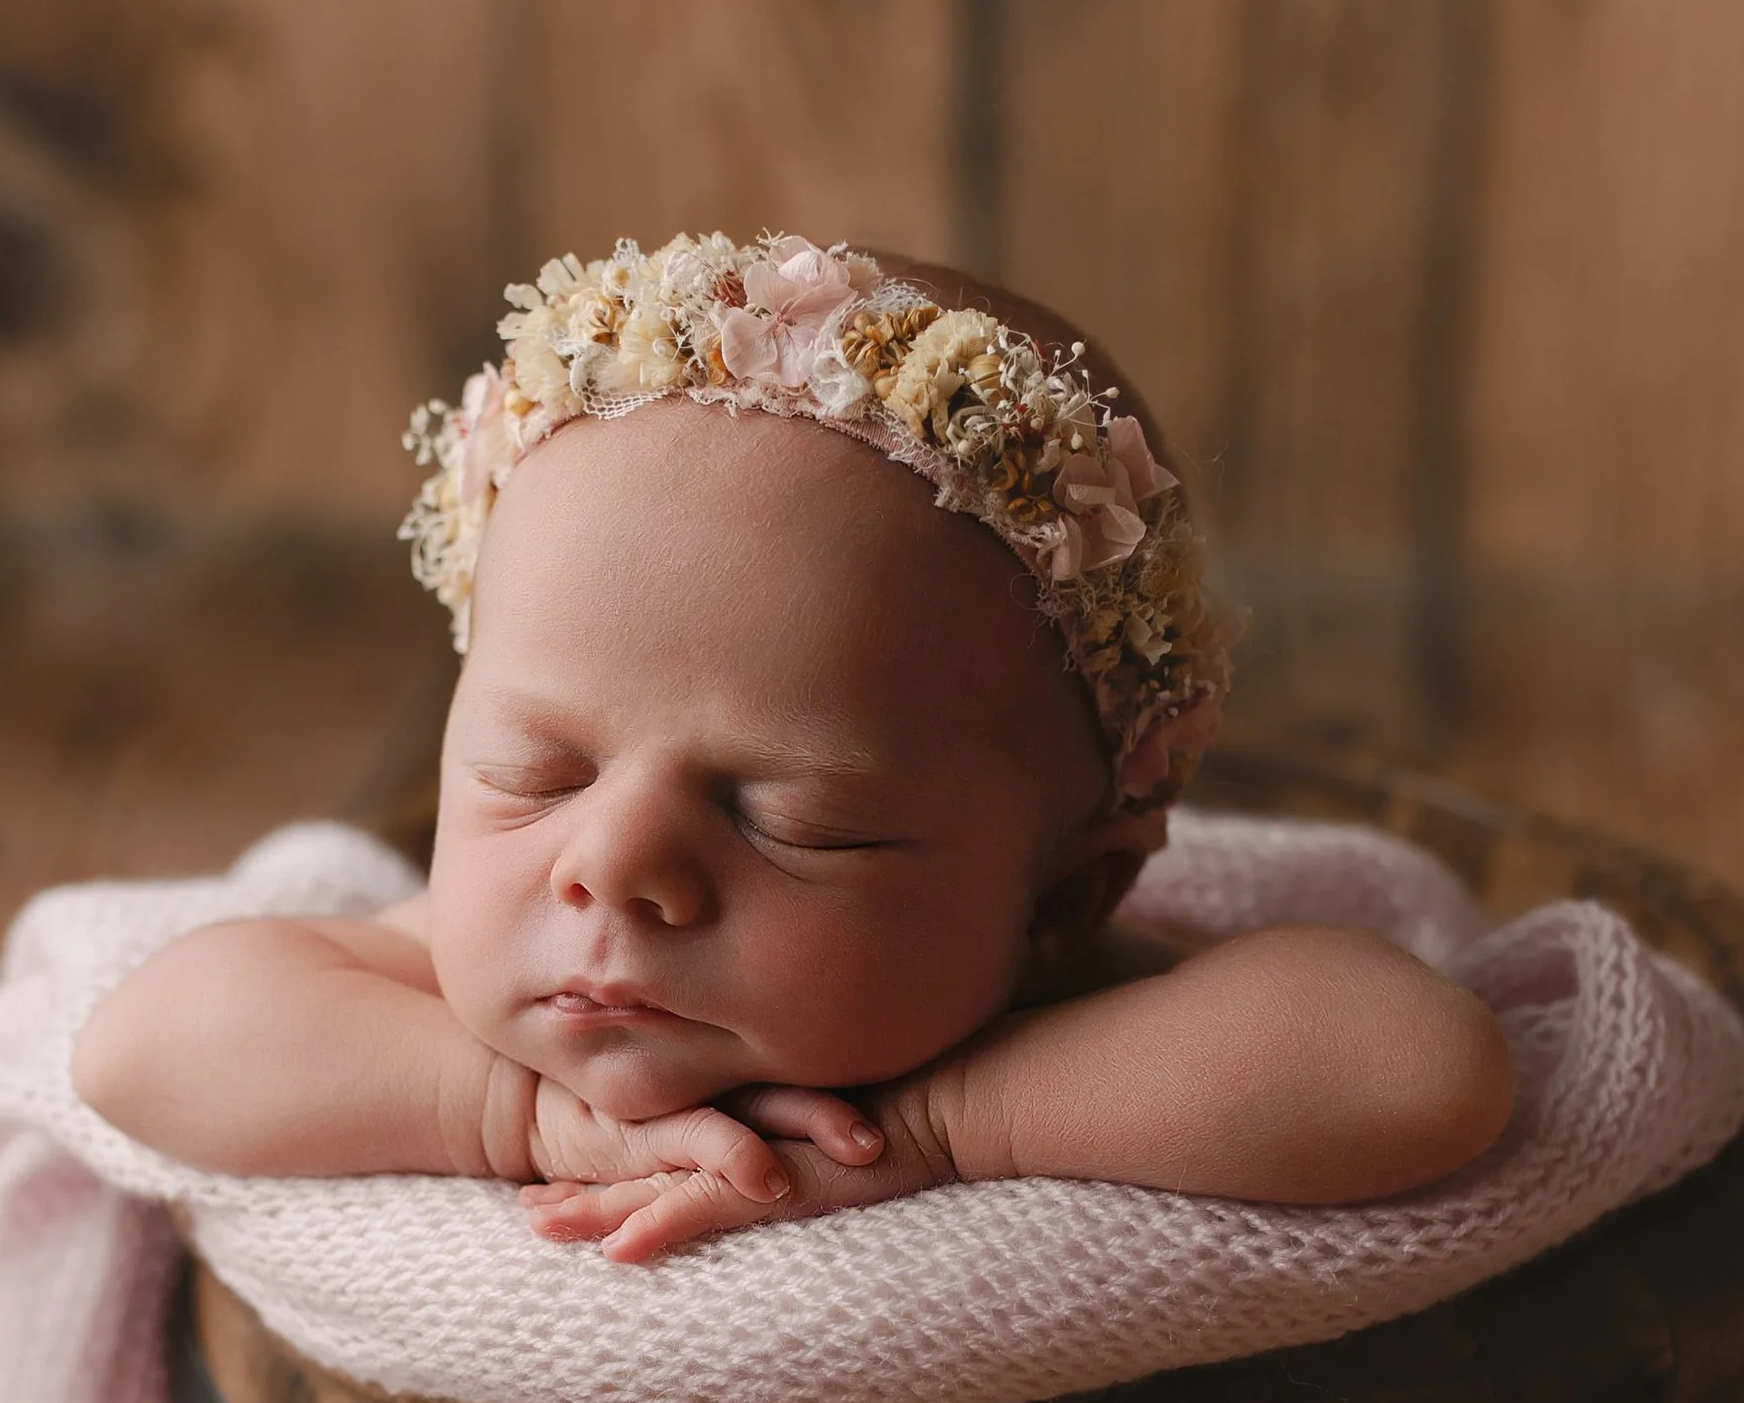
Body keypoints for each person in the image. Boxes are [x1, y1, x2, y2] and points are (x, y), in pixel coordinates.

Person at [73, 236, 1512, 1259]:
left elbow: (1420, 1068)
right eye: (536, 772)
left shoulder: (1052, 1013)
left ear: (1061, 906)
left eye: (793, 820)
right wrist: (521, 1116)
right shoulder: (456, 980)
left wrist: (945, 1121)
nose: (611, 863)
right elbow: (141, 1048)